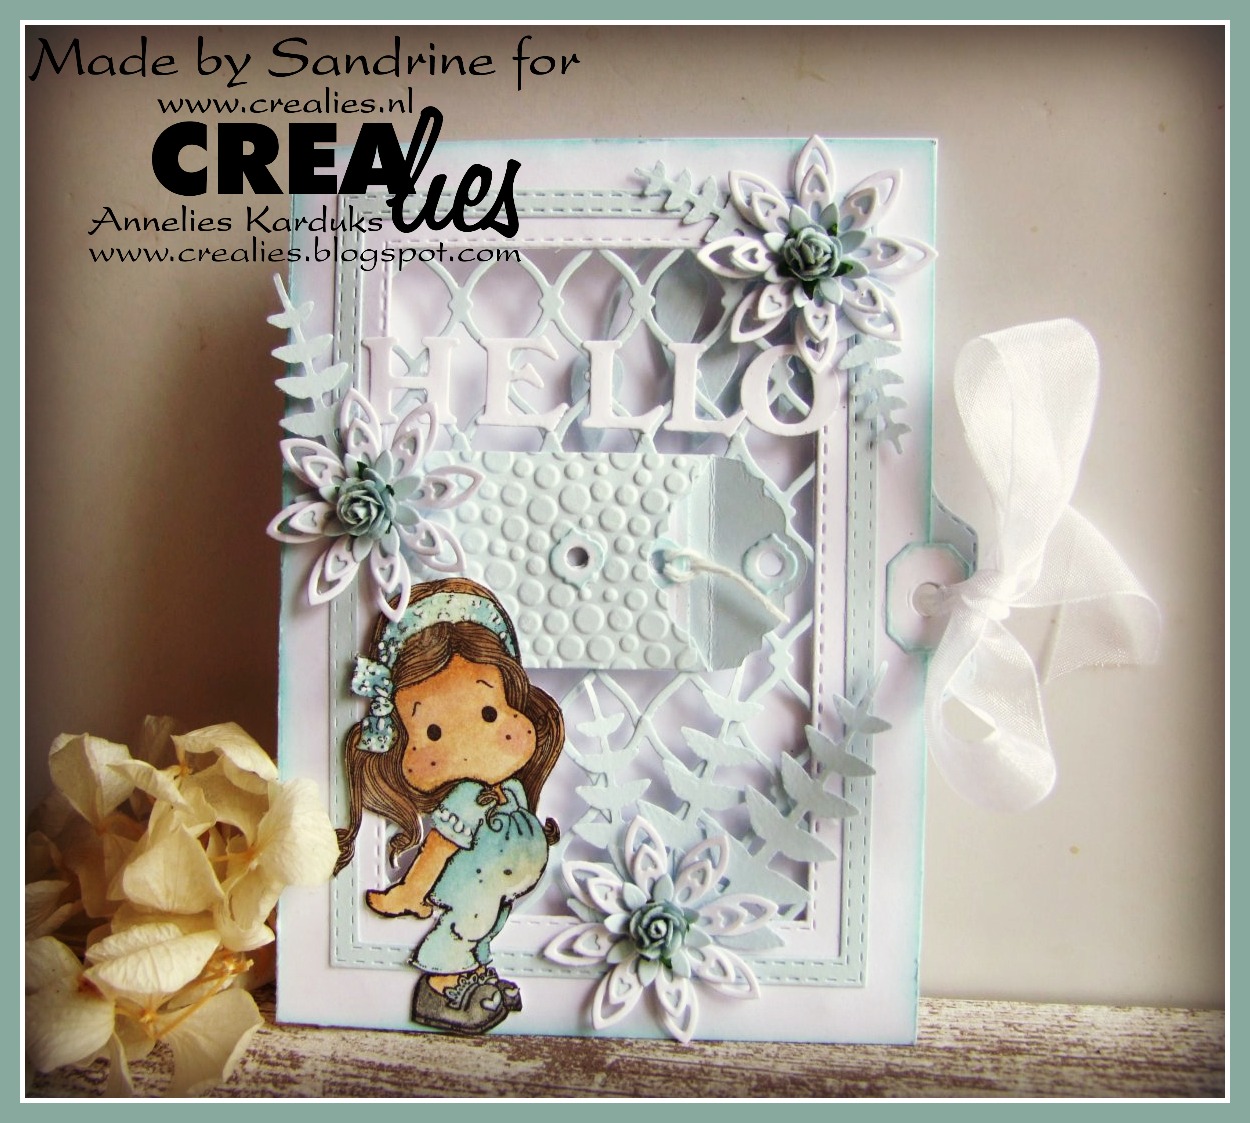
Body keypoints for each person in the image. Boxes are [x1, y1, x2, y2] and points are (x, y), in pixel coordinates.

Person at [335, 577, 564, 1034]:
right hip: (469, 892)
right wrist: (410, 892)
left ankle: (476, 977)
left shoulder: (511, 787)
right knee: (461, 931)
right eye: (433, 732)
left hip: (497, 894)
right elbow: (439, 848)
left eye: (490, 713)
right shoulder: (466, 799)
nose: (472, 741)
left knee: (485, 928)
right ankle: (442, 988)